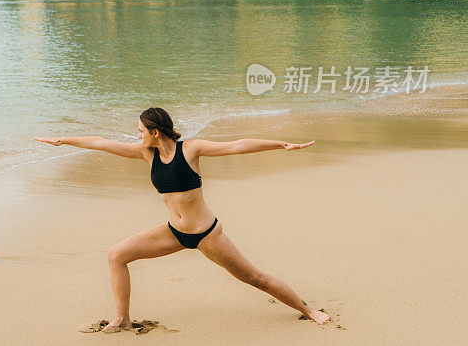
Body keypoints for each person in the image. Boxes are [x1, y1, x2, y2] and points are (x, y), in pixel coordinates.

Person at [34, 107, 330, 332]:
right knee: (117, 255)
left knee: (255, 278)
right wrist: (63, 141)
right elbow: (100, 143)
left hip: (207, 235)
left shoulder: (191, 149)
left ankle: (310, 310)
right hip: (174, 232)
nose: (137, 135)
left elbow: (237, 145)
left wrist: (281, 144)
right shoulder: (146, 154)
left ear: (155, 131)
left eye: (140, 130)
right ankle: (123, 319)